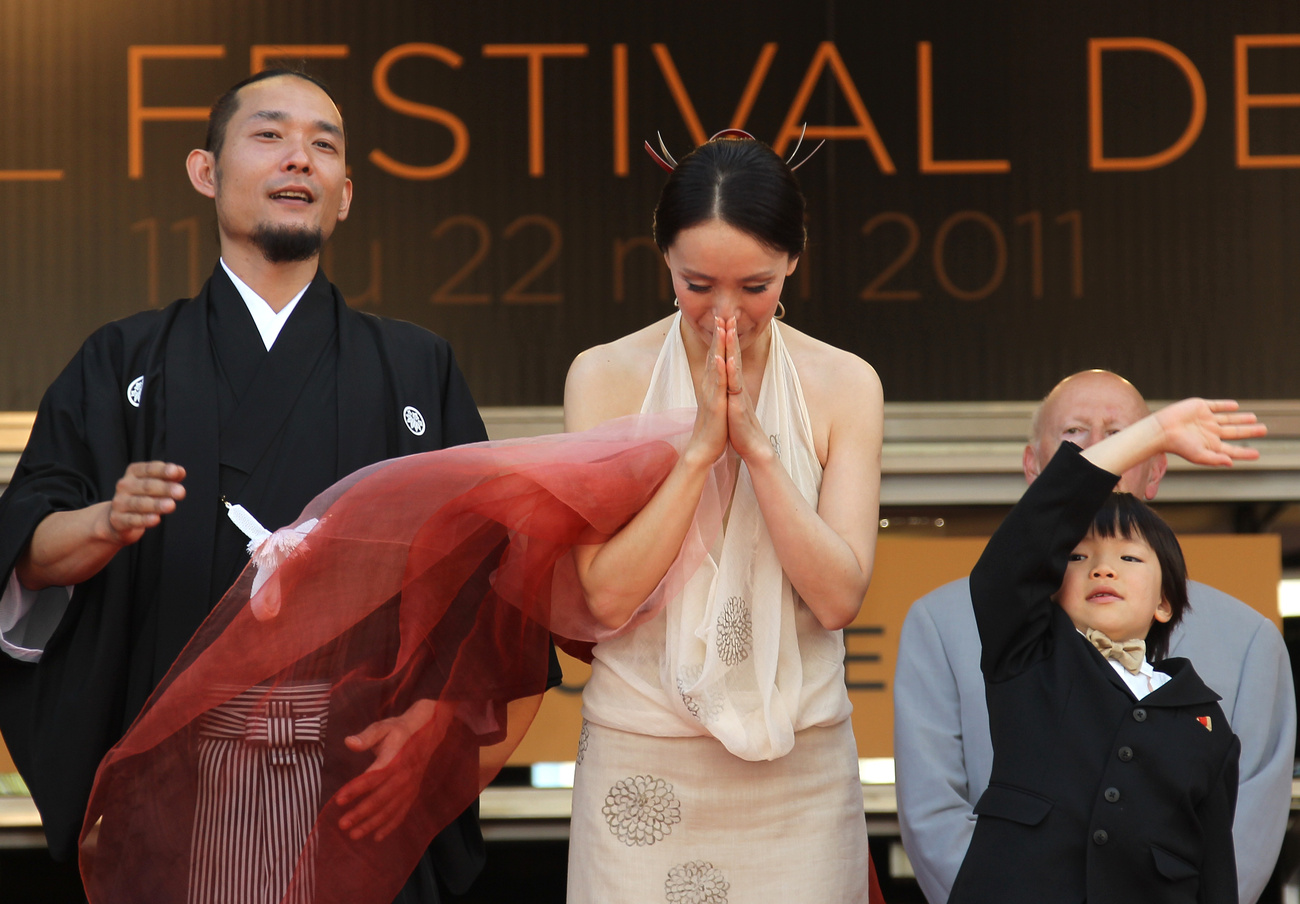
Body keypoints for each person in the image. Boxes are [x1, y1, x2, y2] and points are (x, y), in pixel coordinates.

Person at [0, 69, 493, 903]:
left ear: (345, 195)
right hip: (174, 780)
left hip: (356, 780)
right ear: (206, 171)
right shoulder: (123, 361)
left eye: (323, 146)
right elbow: (27, 545)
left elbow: (484, 577)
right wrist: (106, 523)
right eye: (269, 135)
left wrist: (436, 720)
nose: (299, 158)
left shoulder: (415, 367)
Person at [562, 132, 885, 901]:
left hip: (799, 765)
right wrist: (699, 453)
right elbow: (604, 596)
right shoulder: (605, 377)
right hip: (642, 750)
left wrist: (761, 454)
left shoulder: (845, 384)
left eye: (756, 285)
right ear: (663, 256)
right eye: (698, 284)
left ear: (794, 259)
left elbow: (838, 596)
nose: (726, 313)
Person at [894, 370, 1296, 904]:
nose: (1104, 569)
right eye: (1073, 435)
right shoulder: (1002, 631)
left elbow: (1230, 847)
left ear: (1156, 469)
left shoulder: (1243, 649)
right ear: (1034, 466)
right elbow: (933, 814)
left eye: (1118, 435)